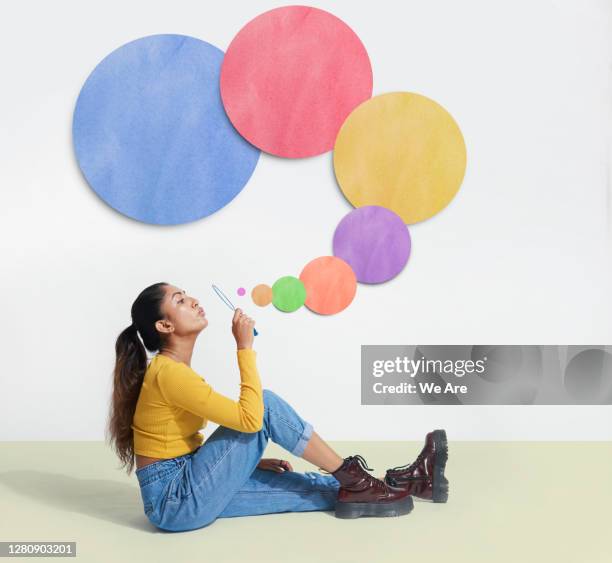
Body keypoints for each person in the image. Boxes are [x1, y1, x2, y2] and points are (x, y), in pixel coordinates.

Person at [106, 282, 448, 532]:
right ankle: (354, 476)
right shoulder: (169, 374)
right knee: (266, 405)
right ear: (165, 326)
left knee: (314, 488)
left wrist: (241, 462)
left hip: (186, 485)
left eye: (187, 294)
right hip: (176, 499)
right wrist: (244, 348)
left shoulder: (172, 371)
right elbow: (252, 418)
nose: (193, 300)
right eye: (180, 300)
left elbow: (202, 438)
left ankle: (406, 482)